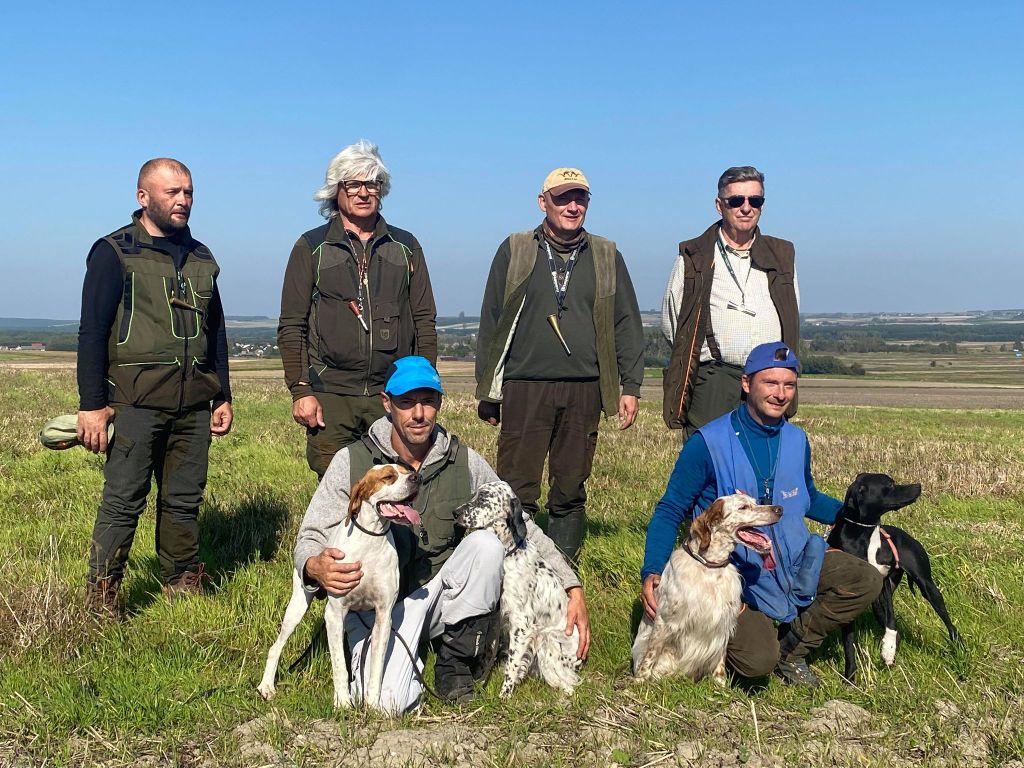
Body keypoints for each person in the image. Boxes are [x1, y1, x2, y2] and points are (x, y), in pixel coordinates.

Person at [294, 356, 590, 711]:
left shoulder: (462, 460)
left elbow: (520, 523)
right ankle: (390, 661)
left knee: (486, 544)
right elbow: (310, 535)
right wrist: (315, 566)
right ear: (387, 404)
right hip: (373, 609)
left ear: (439, 403)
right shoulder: (354, 462)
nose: (418, 413)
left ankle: (456, 662)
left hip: (438, 597)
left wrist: (571, 585)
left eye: (428, 401)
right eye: (406, 402)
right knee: (389, 704)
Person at [640, 342, 881, 686]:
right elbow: (670, 509)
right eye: (770, 383)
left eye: (789, 385)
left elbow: (807, 498)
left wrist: (863, 519)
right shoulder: (708, 442)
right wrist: (651, 570)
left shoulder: (797, 440)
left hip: (796, 560)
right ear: (746, 384)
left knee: (864, 579)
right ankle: (765, 641)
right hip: (736, 581)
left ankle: (792, 649)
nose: (781, 394)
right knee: (756, 663)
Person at [77, 158, 233, 617]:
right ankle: (103, 597)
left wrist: (222, 394)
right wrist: (93, 404)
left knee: (184, 500)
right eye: (172, 192)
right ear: (143, 197)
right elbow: (92, 331)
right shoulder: (114, 251)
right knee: (123, 501)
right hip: (134, 401)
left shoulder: (203, 257)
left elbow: (216, 330)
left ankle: (181, 583)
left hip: (192, 402)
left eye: (188, 192)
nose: (183, 200)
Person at [475, 168, 645, 562]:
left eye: (580, 198)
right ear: (543, 202)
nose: (572, 206)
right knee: (517, 486)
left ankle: (565, 570)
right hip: (524, 386)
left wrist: (631, 386)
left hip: (585, 388)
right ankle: (513, 565)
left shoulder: (605, 254)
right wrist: (487, 392)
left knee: (570, 487)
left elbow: (627, 323)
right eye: (563, 198)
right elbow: (491, 320)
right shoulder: (516, 249)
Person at [278, 140, 437, 480]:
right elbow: (292, 325)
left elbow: (425, 321)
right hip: (331, 393)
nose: (364, 192)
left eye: (372, 183)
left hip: (393, 391)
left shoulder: (406, 247)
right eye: (353, 184)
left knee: (399, 485)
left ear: (382, 189)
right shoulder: (311, 247)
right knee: (337, 492)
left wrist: (425, 387)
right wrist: (301, 390)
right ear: (336, 190)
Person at [661, 166, 800, 437]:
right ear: (719, 205)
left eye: (754, 201)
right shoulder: (694, 256)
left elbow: (791, 316)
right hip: (713, 381)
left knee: (763, 466)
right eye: (736, 200)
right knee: (711, 467)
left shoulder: (782, 255)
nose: (745, 208)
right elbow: (673, 324)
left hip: (768, 380)